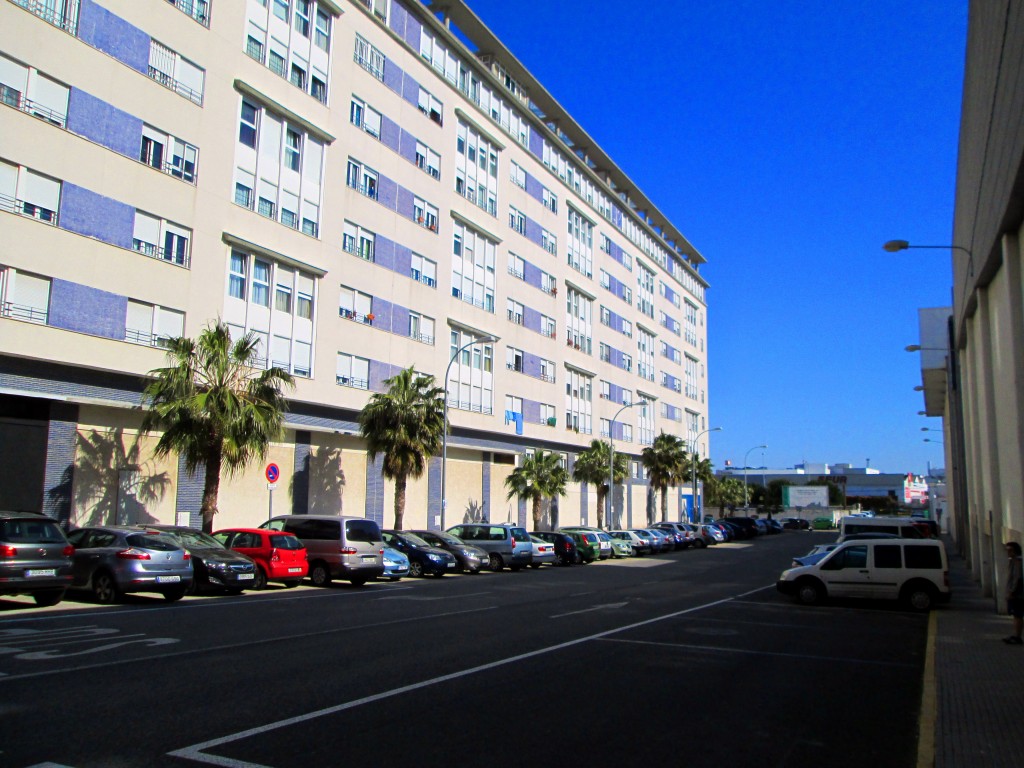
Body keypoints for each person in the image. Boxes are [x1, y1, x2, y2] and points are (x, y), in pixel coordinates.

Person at [1004, 541, 1023, 645]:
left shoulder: (1017, 562)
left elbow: (1017, 578)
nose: (1008, 553)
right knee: (1016, 615)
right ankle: (1016, 634)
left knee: (1017, 615)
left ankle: (1018, 636)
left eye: (1010, 550)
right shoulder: (1012, 561)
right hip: (1015, 594)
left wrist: (1011, 592)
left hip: (1017, 595)